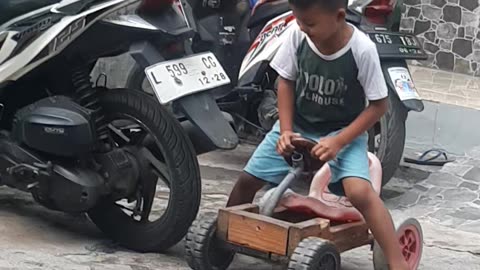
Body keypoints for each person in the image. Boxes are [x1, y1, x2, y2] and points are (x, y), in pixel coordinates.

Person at [226, 0, 409, 269]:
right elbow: (285, 82)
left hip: (342, 133)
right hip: (298, 125)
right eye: (299, 21)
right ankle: (224, 236)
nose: (303, 27)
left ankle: (397, 262)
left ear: (339, 16)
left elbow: (378, 106)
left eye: (309, 23)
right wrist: (286, 130)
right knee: (247, 180)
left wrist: (339, 141)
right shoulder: (296, 35)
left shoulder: (362, 49)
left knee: (360, 193)